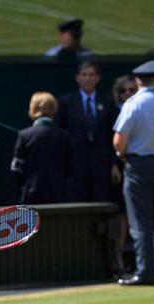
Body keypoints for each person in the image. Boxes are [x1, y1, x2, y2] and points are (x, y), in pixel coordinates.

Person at [112, 60, 154, 286]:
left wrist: (122, 155)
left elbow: (119, 139)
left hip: (139, 165)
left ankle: (145, 271)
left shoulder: (133, 104)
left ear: (138, 81)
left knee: (140, 221)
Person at [53, 60, 119, 202]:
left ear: (98, 78)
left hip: (101, 167)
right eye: (84, 75)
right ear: (78, 78)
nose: (88, 78)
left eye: (91, 75)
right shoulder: (66, 102)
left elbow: (113, 134)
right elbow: (59, 133)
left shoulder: (108, 102)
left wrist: (114, 164)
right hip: (75, 167)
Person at [11, 91, 69, 204]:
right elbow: (70, 167)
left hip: (32, 194)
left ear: (33, 109)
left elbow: (16, 169)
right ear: (54, 109)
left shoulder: (24, 135)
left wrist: (25, 185)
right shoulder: (64, 136)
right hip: (59, 193)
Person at [108, 74, 137, 274]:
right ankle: (118, 257)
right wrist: (114, 165)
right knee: (121, 215)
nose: (127, 94)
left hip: (137, 166)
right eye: (123, 91)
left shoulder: (141, 109)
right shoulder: (113, 113)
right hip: (120, 169)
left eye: (131, 90)